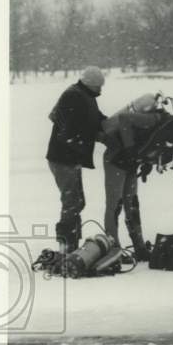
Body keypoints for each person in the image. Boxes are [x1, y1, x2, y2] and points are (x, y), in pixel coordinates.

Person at [46, 66, 107, 253]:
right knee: (72, 201)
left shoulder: (85, 96)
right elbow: (68, 131)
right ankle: (67, 245)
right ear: (90, 84)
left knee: (77, 201)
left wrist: (113, 125)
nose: (101, 90)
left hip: (70, 158)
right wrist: (88, 140)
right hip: (63, 158)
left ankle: (72, 242)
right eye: (99, 86)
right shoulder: (73, 96)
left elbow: (96, 119)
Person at [101, 105, 162, 261]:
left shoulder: (161, 131)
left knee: (132, 204)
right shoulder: (153, 119)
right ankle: (114, 250)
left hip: (129, 161)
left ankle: (139, 247)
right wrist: (130, 149)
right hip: (116, 159)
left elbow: (148, 145)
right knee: (115, 205)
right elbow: (124, 118)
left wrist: (147, 161)